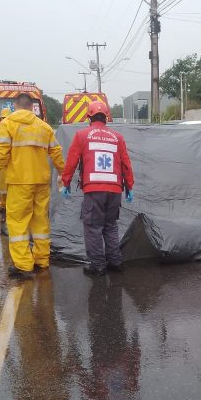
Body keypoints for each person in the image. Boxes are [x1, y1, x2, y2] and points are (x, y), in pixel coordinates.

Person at [0, 93, 65, 279]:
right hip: (41, 181)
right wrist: (63, 172)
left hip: (19, 181)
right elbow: (56, 152)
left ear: (14, 106)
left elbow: (0, 153)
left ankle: (24, 265)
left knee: (18, 222)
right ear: (33, 107)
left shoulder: (7, 125)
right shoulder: (44, 127)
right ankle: (42, 259)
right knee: (40, 220)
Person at [61, 101, 134, 276]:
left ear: (89, 117)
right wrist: (129, 187)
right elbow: (126, 165)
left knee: (93, 227)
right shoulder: (118, 137)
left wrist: (66, 182)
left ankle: (98, 266)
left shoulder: (82, 135)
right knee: (110, 226)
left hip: (94, 190)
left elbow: (71, 162)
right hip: (115, 190)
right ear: (107, 117)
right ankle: (115, 262)